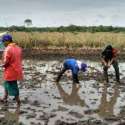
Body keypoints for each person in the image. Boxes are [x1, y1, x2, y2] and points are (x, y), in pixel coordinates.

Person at [0, 34, 23, 107]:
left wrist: (1, 65)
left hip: (10, 71)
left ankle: (18, 101)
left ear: (7, 41)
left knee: (13, 86)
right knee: (6, 84)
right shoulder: (18, 48)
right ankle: (5, 97)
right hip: (17, 70)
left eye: (3, 41)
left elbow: (6, 62)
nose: (3, 43)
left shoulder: (7, 49)